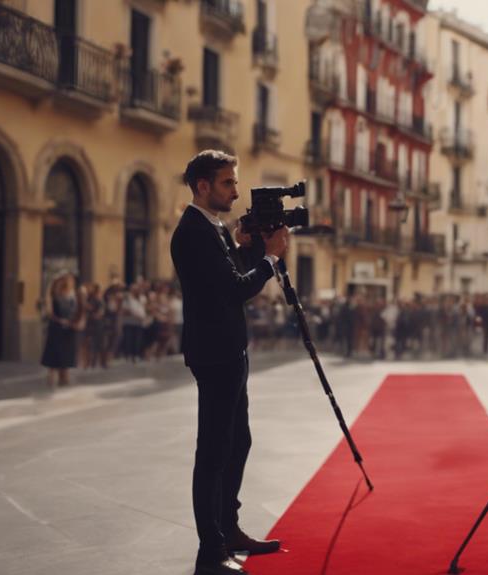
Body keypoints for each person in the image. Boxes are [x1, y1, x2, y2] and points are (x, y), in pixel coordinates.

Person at [170, 150, 288, 575]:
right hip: (215, 354)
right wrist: (271, 258)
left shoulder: (214, 229)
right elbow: (236, 290)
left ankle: (229, 528)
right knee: (214, 452)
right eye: (227, 183)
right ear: (203, 185)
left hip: (230, 351)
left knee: (239, 442)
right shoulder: (193, 232)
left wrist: (248, 249)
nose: (236, 191)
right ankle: (211, 550)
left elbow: (231, 276)